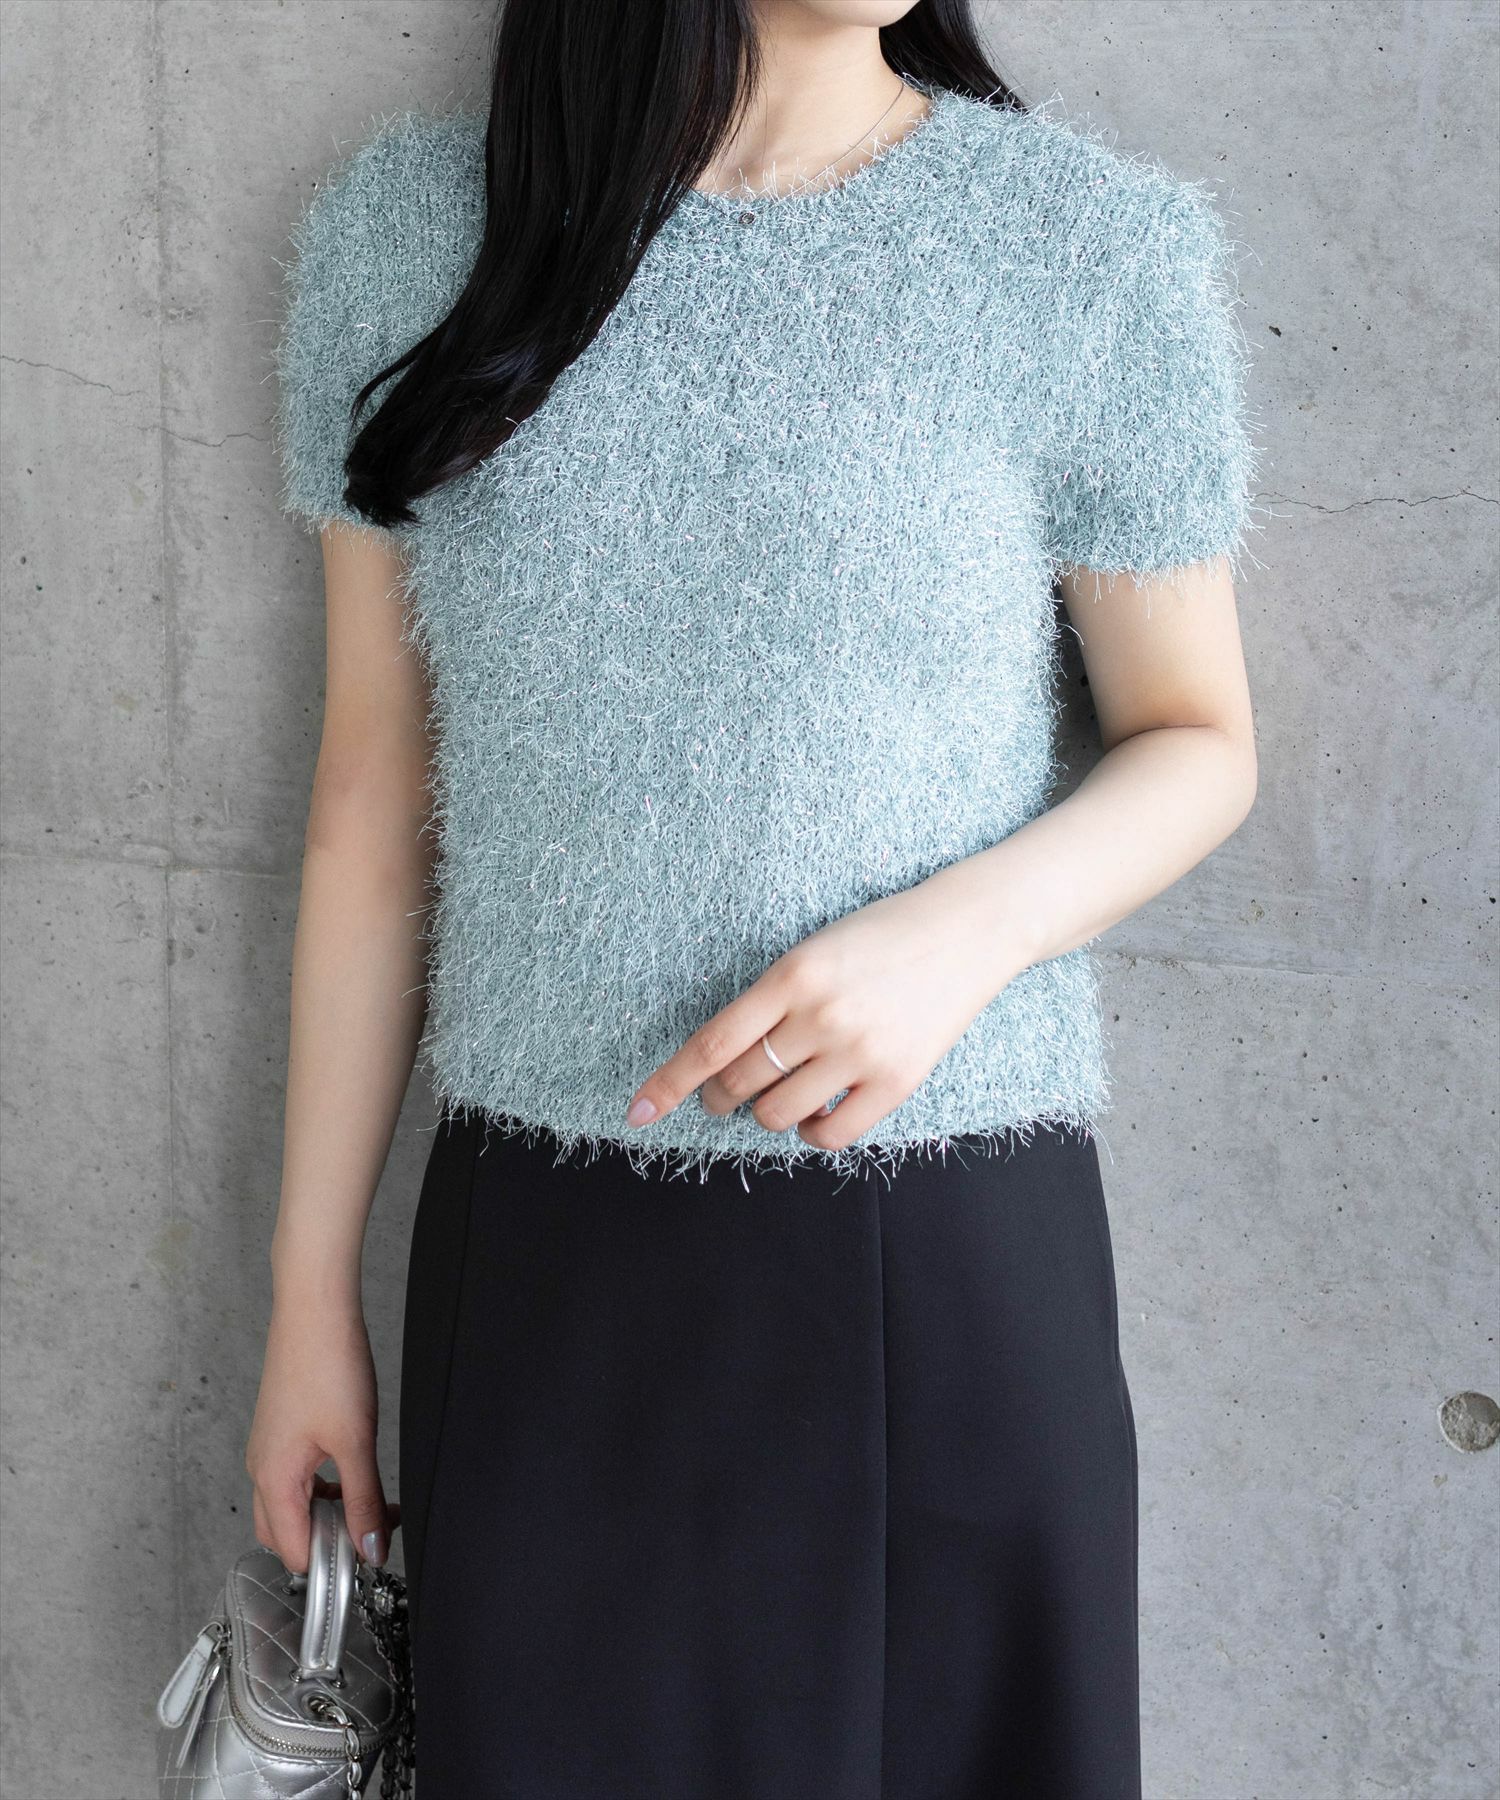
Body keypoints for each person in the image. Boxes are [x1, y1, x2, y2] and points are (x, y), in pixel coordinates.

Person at [247, 2, 1262, 1795]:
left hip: (952, 1247)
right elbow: (369, 807)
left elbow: (1199, 740)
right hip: (550, 1272)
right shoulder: (411, 235)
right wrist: (308, 1289)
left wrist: (961, 936)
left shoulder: (1090, 249)